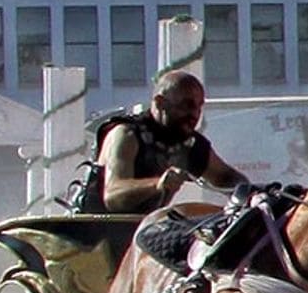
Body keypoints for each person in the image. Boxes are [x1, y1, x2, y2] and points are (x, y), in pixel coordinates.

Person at [92, 70, 247, 213]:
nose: (194, 114)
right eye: (187, 105)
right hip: (90, 233)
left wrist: (251, 194)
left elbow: (226, 178)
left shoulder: (189, 144)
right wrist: (157, 184)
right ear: (160, 103)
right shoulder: (127, 134)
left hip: (141, 233)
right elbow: (113, 197)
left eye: (199, 107)